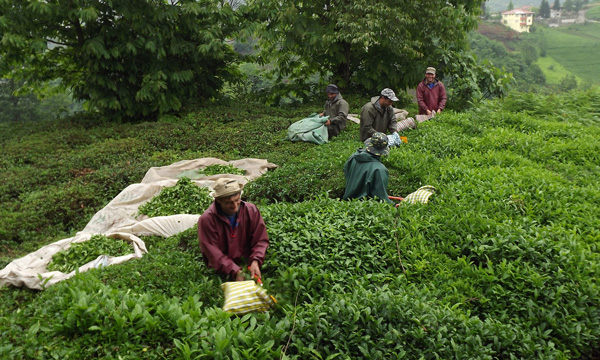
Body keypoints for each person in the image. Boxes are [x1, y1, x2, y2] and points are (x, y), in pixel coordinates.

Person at [198, 178, 269, 281]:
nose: (235, 206)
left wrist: (255, 260)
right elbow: (212, 252)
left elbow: (260, 239)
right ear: (219, 201)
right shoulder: (207, 220)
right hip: (221, 272)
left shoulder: (251, 210)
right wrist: (234, 271)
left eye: (237, 200)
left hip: (247, 263)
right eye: (228, 203)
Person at [342, 132, 393, 204]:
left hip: (346, 202)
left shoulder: (353, 157)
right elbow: (381, 198)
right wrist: (393, 205)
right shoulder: (379, 169)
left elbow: (346, 172)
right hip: (363, 207)